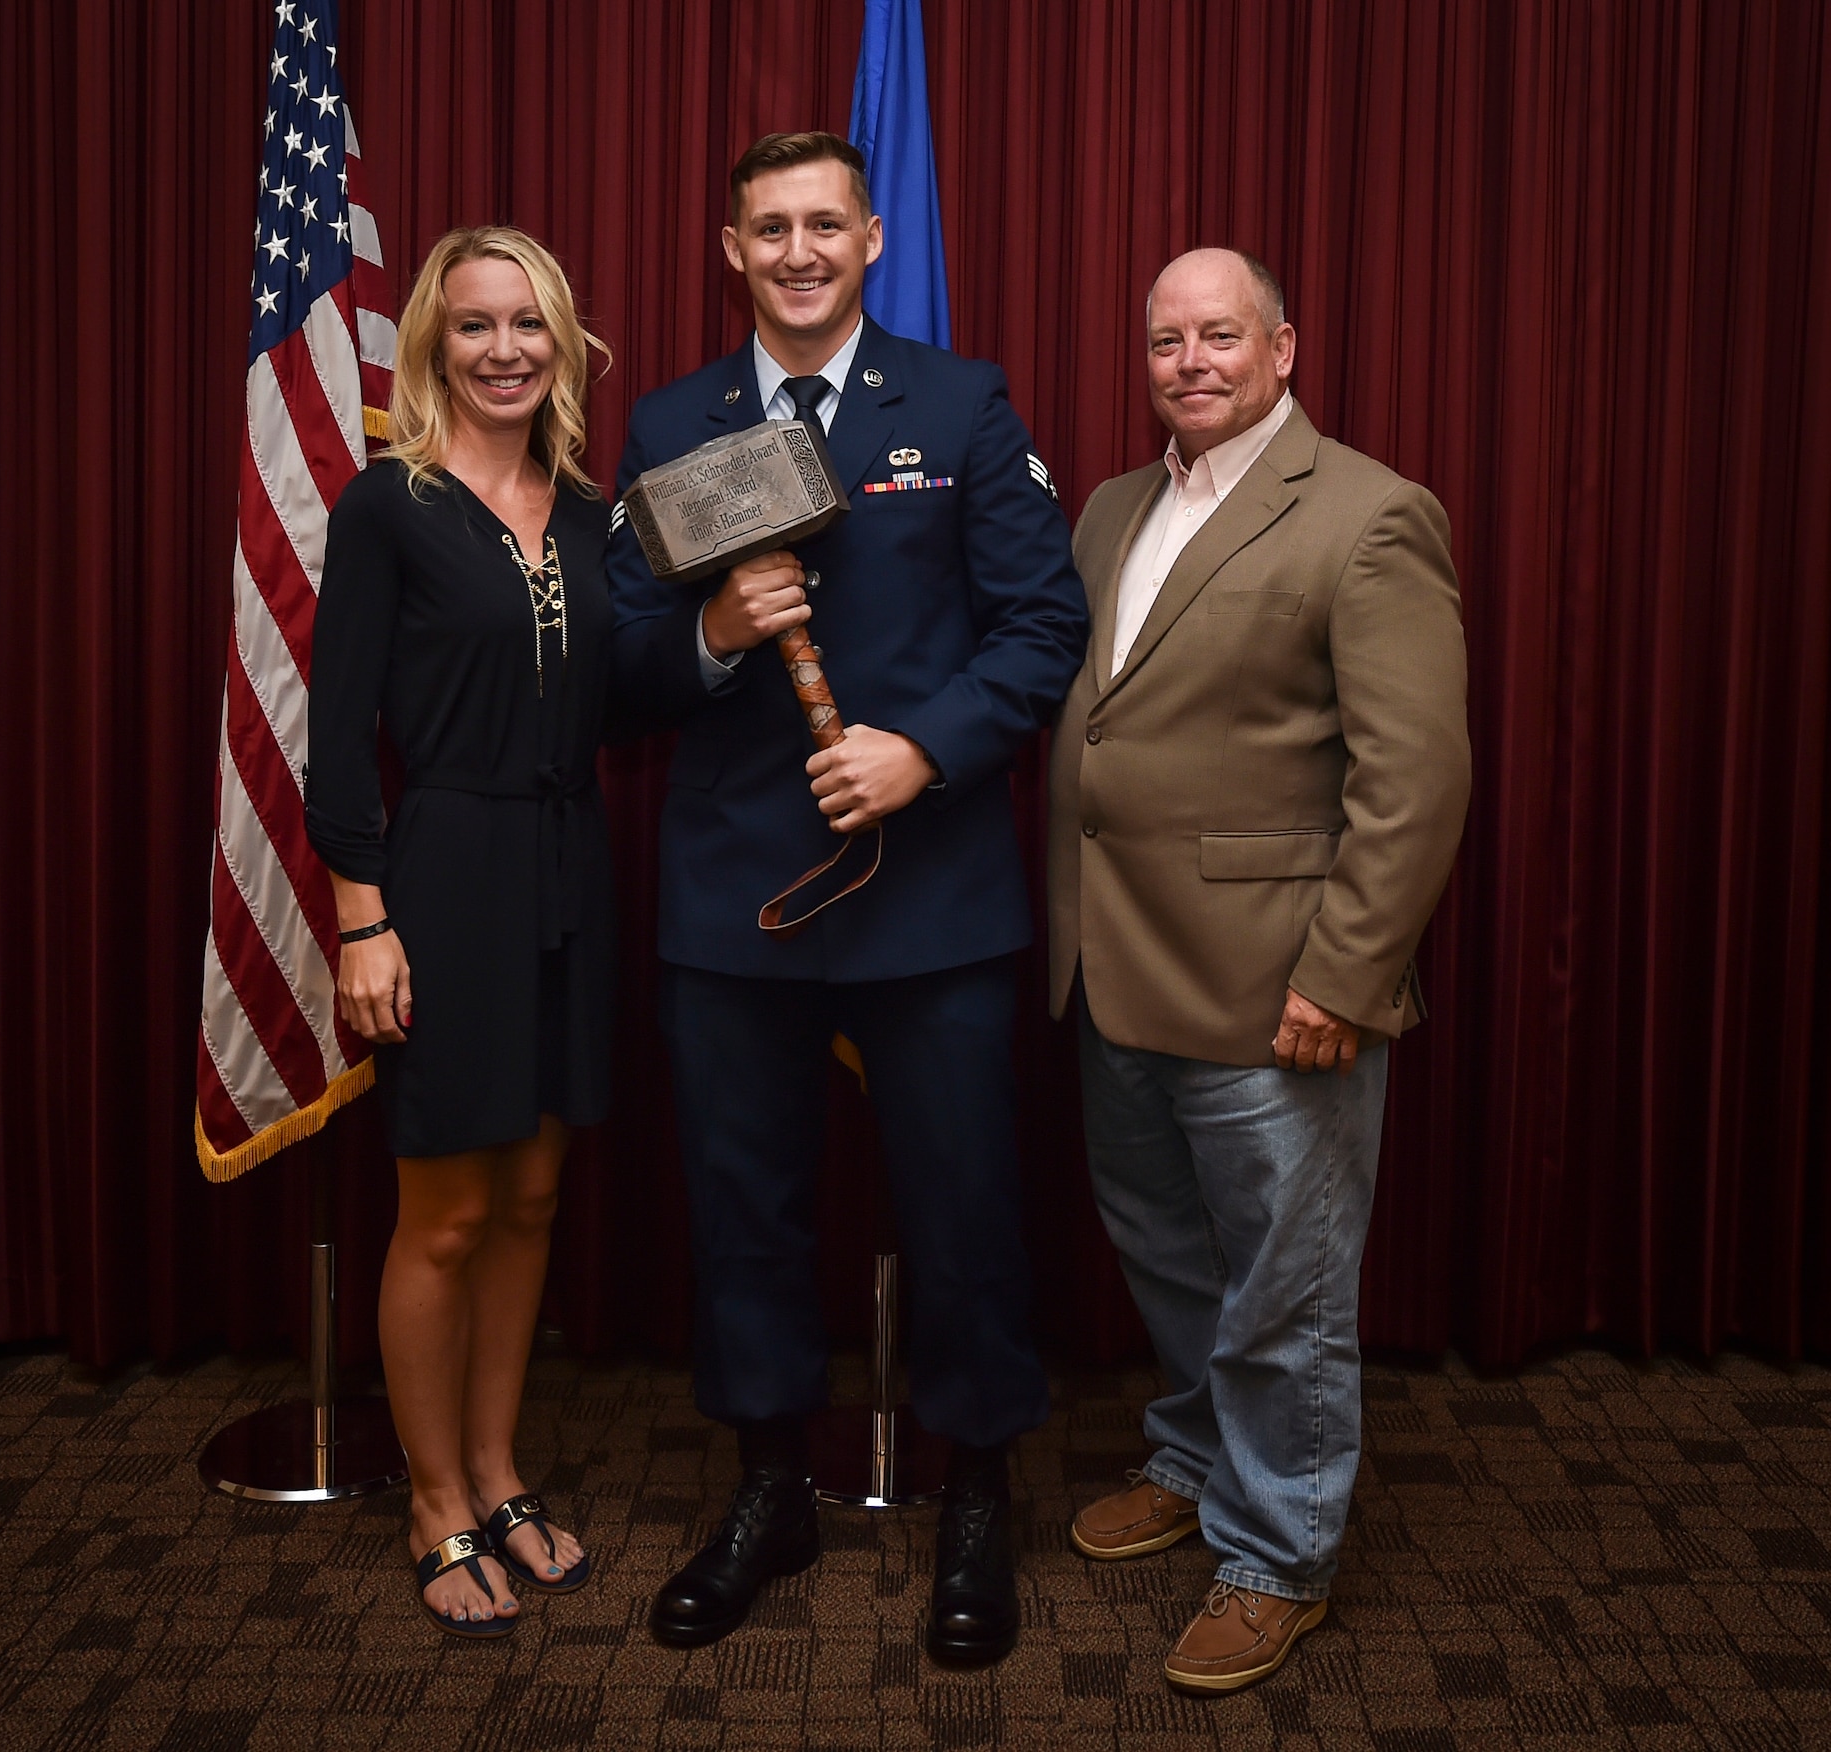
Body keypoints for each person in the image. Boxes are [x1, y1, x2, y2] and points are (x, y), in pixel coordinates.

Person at [607, 132, 1088, 1666]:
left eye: (827, 224)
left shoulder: (957, 403)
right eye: (771, 228)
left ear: (873, 239)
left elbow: (1041, 625)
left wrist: (923, 752)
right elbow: (618, 669)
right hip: (739, 900)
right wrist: (714, 637)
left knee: (965, 1211)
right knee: (745, 1215)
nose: (800, 250)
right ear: (729, 247)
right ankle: (769, 1487)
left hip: (932, 885)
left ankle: (975, 1494)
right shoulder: (670, 424)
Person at [1048, 248, 1471, 1693]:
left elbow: (1415, 779)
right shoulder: (1112, 508)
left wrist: (1345, 978)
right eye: (1166, 339)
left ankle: (1279, 1554)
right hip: (1116, 968)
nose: (1191, 362)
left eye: (1220, 335)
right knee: (1170, 1253)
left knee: (1285, 1287)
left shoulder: (1368, 514)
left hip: (1279, 987)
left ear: (1283, 348)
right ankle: (1199, 1458)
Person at [305, 226, 615, 1639]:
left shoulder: (593, 510)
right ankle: (434, 1501)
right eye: (475, 326)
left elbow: (634, 695)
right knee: (444, 1211)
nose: (503, 351)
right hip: (441, 874)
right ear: (434, 343)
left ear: (562, 341)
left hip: (570, 866)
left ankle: (496, 1471)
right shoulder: (391, 505)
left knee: (535, 1194)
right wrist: (363, 922)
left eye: (527, 324)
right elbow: (335, 739)